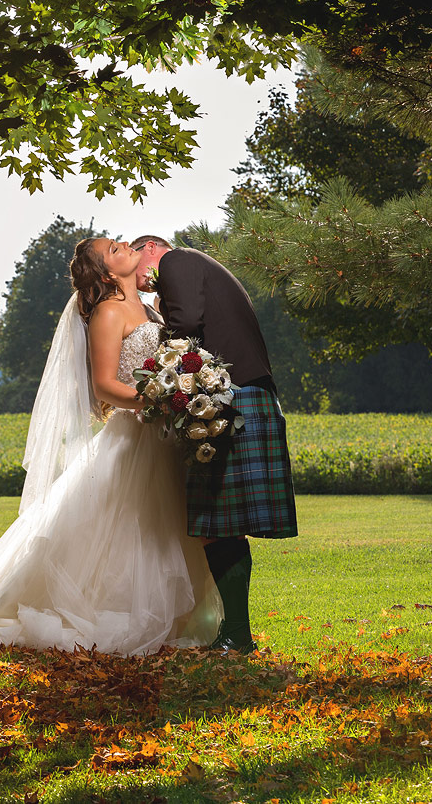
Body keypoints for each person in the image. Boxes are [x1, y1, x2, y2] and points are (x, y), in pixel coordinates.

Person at [0, 236, 222, 655]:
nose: (124, 245)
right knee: (134, 529)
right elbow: (105, 385)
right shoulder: (108, 312)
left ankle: (176, 621)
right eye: (114, 249)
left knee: (165, 530)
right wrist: (156, 401)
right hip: (136, 435)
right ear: (105, 273)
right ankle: (121, 614)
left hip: (166, 436)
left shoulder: (151, 308)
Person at [131, 235, 299, 654]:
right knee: (219, 527)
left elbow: (186, 326)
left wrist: (160, 364)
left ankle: (237, 637)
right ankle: (236, 634)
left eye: (140, 273)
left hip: (231, 397)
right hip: (237, 396)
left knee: (220, 525)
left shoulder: (175, 262)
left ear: (149, 249)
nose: (143, 284)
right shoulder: (195, 267)